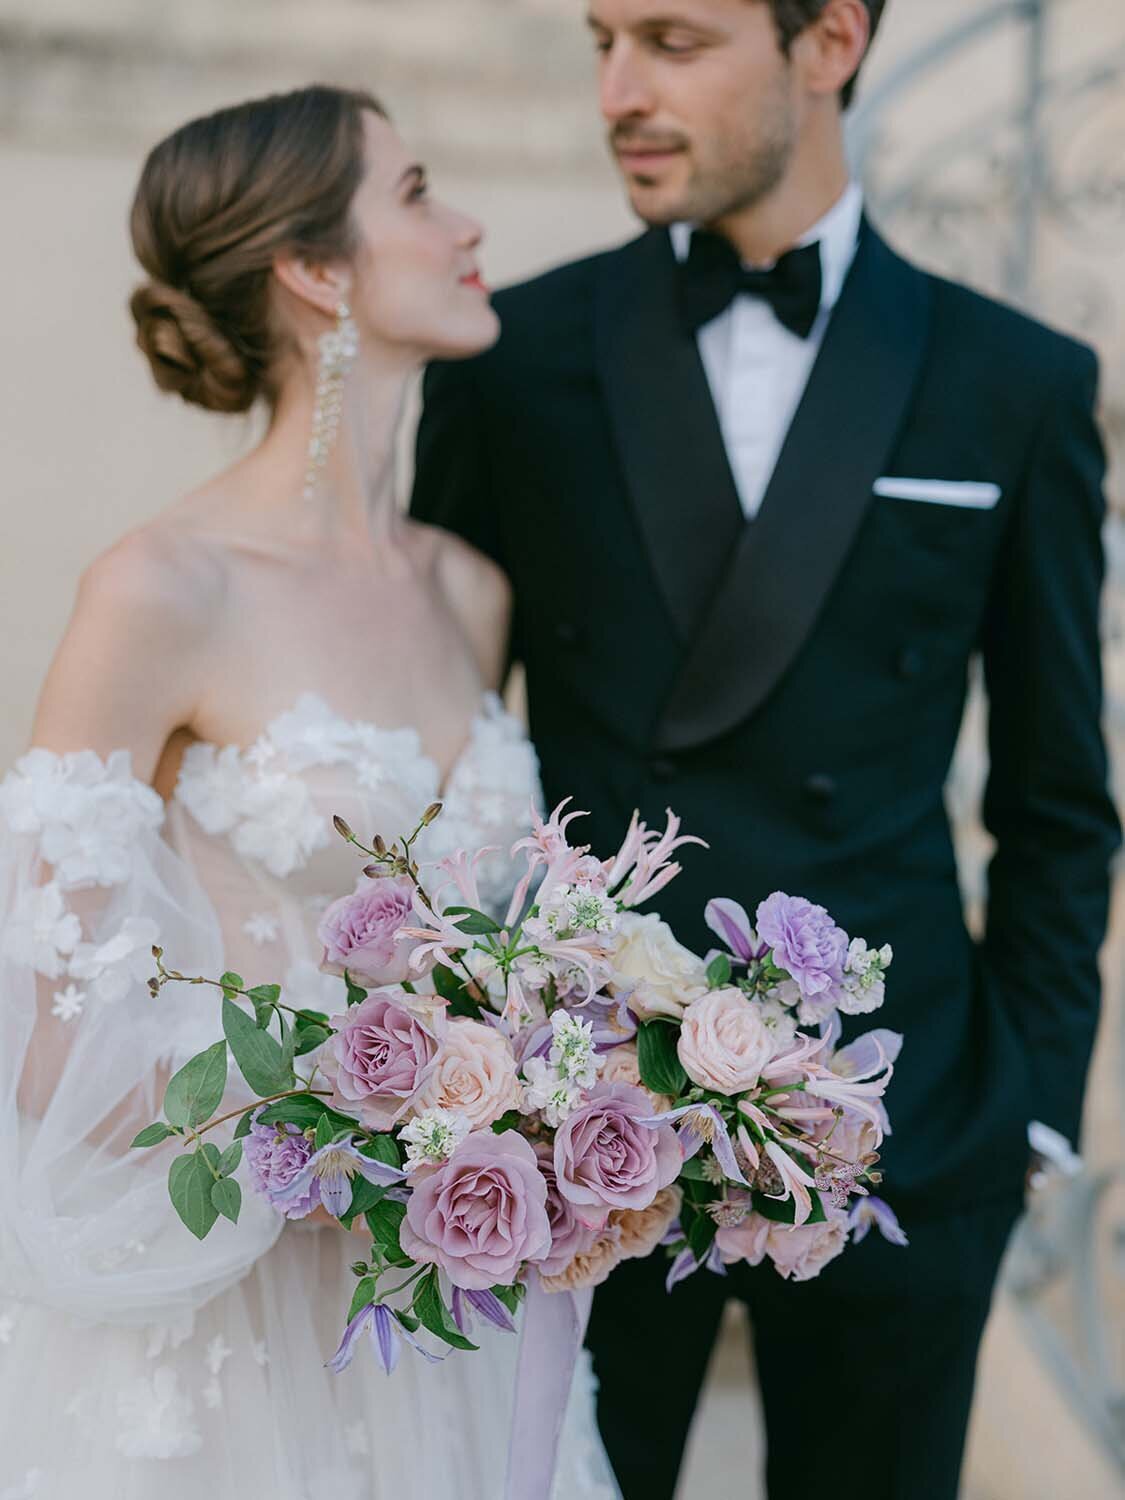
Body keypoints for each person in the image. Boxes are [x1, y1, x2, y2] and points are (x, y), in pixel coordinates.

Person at [410, 2, 1121, 1496]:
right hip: (574, 1141)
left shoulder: (1016, 383)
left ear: (829, 43)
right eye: (601, 42)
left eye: (671, 41)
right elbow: (439, 755)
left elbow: (1060, 800)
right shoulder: (511, 357)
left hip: (905, 1128)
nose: (618, 92)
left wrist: (1026, 1112)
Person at [0, 85, 619, 1500]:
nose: (465, 226)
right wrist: (348, 1128)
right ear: (314, 269)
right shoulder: (161, 590)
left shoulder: (469, 592)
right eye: (414, 193)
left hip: (455, 1306)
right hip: (242, 1318)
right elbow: (49, 1020)